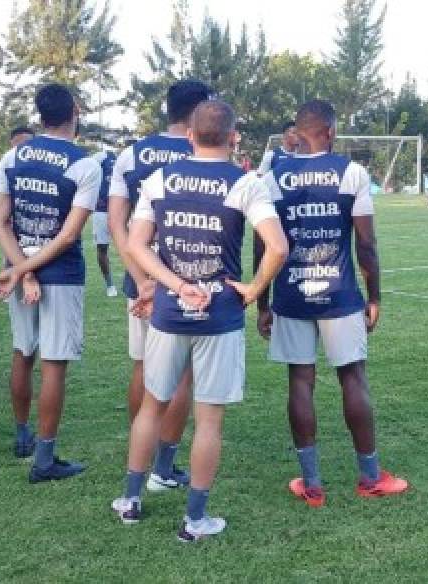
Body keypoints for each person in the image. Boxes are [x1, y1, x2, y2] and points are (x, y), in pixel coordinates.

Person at [110, 99, 289, 542]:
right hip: (220, 313)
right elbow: (278, 247)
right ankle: (194, 521)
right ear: (234, 138)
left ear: (189, 136)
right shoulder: (246, 182)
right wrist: (253, 288)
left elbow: (135, 245)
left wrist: (171, 282)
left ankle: (131, 500)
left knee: (152, 406)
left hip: (170, 311)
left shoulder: (160, 178)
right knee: (208, 420)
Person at [257, 99, 410, 508]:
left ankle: (312, 484)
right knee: (353, 378)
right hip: (340, 295)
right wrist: (374, 294)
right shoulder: (352, 173)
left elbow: (263, 242)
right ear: (330, 131)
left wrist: (262, 303)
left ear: (297, 132)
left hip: (291, 294)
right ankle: (370, 477)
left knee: (300, 381)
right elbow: (367, 243)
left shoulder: (274, 177)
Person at [0, 83, 101, 482]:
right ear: (74, 111)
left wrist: (21, 268)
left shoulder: (12, 156)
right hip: (61, 274)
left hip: (18, 268)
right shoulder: (85, 164)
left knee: (23, 352)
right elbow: (68, 236)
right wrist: (28, 270)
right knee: (54, 365)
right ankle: (44, 458)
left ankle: (23, 436)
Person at [108, 79, 212, 491]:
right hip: (187, 281)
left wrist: (140, 278)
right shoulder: (202, 151)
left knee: (143, 366)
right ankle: (163, 467)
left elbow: (118, 224)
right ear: (199, 110)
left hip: (143, 279)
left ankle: (141, 452)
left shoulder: (131, 154)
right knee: (181, 373)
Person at [91, 147, 118, 297]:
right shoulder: (102, 156)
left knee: (132, 246)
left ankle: (136, 280)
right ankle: (110, 285)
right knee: (102, 248)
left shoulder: (126, 159)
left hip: (121, 210)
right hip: (101, 209)